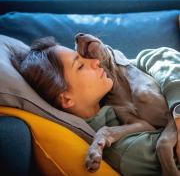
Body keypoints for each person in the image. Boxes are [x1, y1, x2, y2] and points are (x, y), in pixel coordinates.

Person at [16, 36, 180, 176]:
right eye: (80, 66)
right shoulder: (125, 153)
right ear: (66, 98)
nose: (95, 62)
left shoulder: (111, 101)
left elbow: (160, 56)